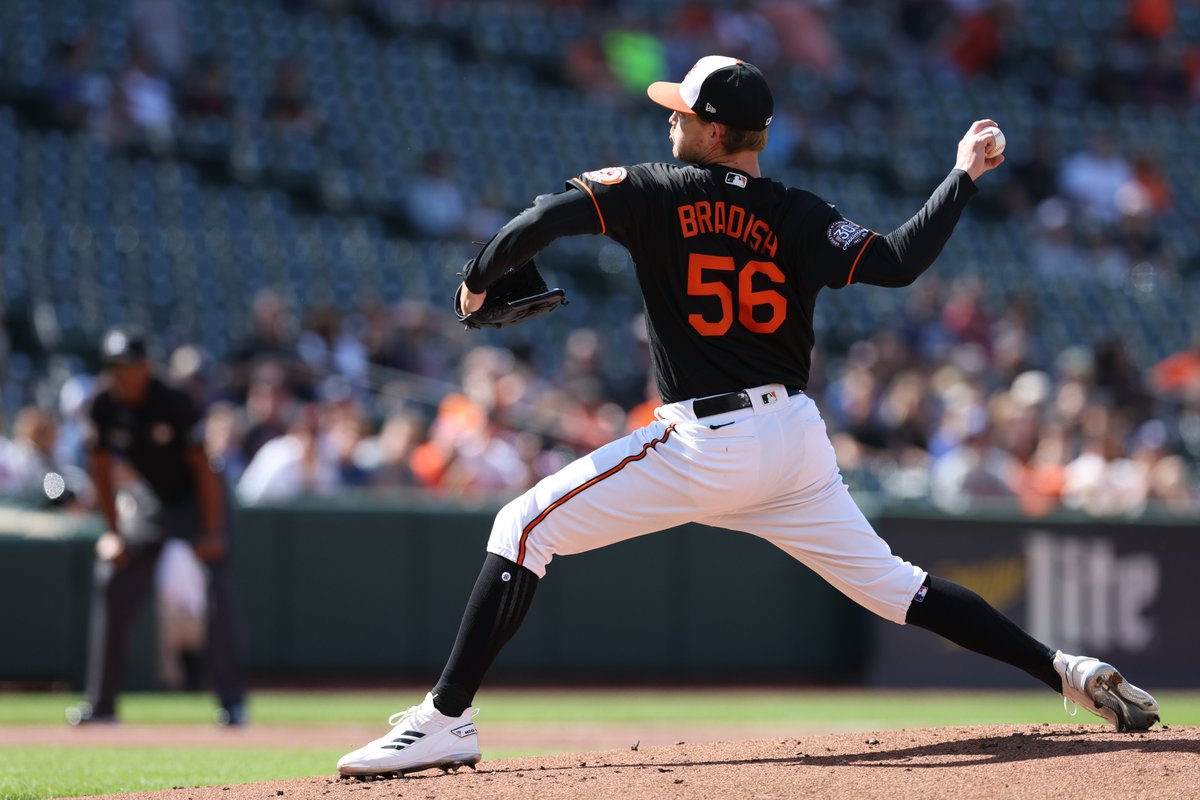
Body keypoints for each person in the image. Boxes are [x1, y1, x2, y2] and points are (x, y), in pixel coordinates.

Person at [336, 56, 1160, 777]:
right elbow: (901, 262)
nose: (671, 118)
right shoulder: (798, 212)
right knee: (896, 586)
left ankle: (443, 722)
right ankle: (1066, 669)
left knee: (522, 525)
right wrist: (962, 175)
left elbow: (545, 217)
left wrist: (478, 279)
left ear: (715, 130)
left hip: (708, 439)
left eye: (684, 112)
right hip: (794, 441)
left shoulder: (656, 190)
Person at [67, 328, 246, 726]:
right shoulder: (102, 403)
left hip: (200, 501)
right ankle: (102, 705)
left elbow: (204, 469)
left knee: (216, 588)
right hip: (153, 502)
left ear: (145, 366)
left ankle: (233, 703)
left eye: (127, 365)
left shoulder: (174, 400)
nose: (120, 373)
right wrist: (112, 532)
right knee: (112, 579)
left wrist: (213, 531)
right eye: (113, 365)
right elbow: (100, 470)